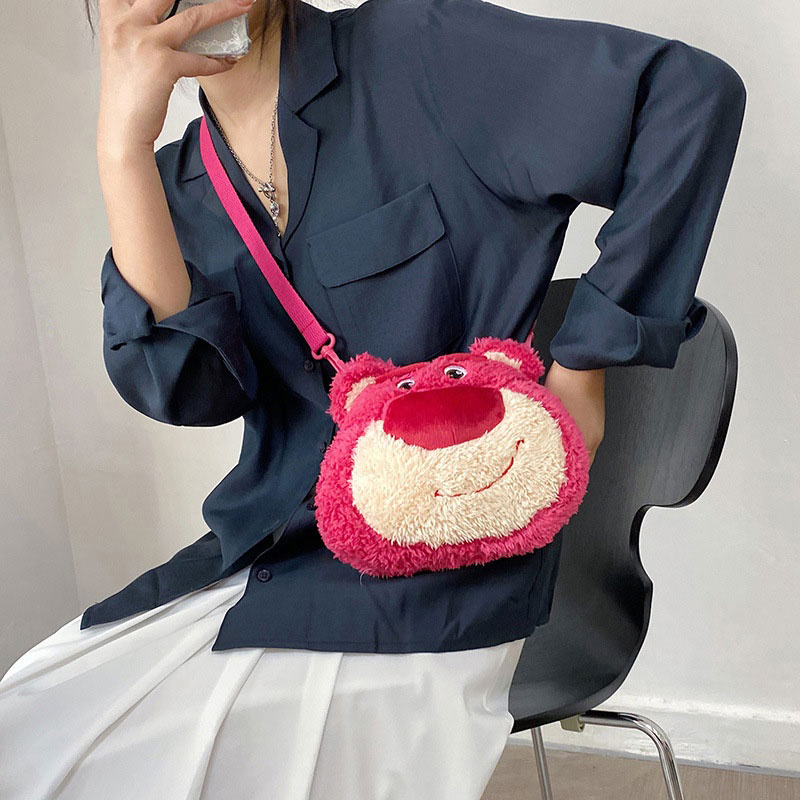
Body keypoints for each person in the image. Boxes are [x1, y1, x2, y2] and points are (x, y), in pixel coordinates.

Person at [0, 0, 746, 797]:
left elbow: (690, 95)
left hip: (452, 557)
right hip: (268, 557)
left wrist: (587, 363)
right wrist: (121, 152)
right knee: (33, 727)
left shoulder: (419, 52)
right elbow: (187, 392)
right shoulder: (176, 187)